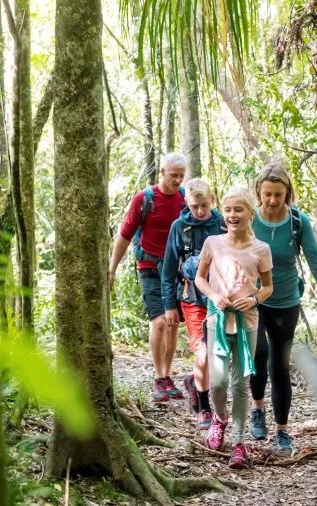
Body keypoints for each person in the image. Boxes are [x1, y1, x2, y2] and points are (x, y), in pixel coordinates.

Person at [249, 161, 317, 456]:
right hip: (254, 300)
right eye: (267, 194)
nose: (273, 200)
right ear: (258, 193)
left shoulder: (298, 222)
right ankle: (258, 407)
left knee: (279, 366)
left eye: (278, 194)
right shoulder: (248, 220)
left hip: (287, 302)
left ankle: (283, 432)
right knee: (258, 354)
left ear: (287, 193)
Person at [195, 187, 273, 469]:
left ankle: (238, 443)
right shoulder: (212, 243)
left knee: (241, 383)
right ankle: (219, 419)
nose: (232, 215)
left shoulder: (260, 249)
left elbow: (268, 287)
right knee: (218, 382)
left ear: (251, 214)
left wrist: (252, 300)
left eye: (238, 210)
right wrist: (213, 296)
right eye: (227, 210)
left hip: (247, 324)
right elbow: (199, 279)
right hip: (217, 321)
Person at [109, 153, 187, 402]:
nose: (177, 180)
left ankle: (167, 375)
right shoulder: (144, 199)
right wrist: (111, 270)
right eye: (173, 175)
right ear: (162, 172)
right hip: (150, 268)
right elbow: (124, 235)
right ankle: (158, 377)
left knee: (173, 323)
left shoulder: (185, 199)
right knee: (160, 322)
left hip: (176, 270)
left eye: (181, 176)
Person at [161, 178, 226, 430]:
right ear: (186, 203)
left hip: (220, 299)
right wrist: (169, 305)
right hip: (191, 300)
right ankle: (204, 409)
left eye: (204, 205)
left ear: (212, 199)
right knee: (202, 353)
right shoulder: (179, 227)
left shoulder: (222, 223)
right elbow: (168, 270)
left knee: (218, 355)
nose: (199, 211)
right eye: (194, 206)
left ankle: (194, 383)